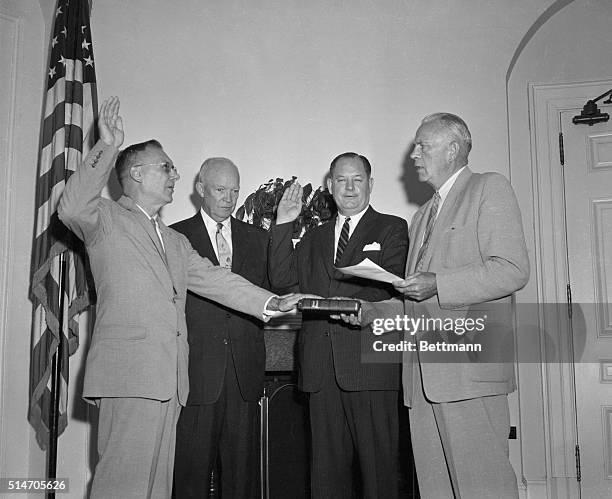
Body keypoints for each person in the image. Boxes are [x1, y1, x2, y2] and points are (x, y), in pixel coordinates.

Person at [58, 97, 299, 499]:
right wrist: (108, 146)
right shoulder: (105, 218)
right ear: (136, 173)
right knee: (121, 484)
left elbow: (217, 280)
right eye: (166, 167)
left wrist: (270, 303)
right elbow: (70, 206)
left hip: (171, 382)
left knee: (157, 489)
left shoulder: (174, 239)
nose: (175, 175)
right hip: (130, 377)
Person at [344, 113, 529, 498]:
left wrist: (439, 284)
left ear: (454, 148)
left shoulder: (488, 188)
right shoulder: (422, 216)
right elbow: (416, 297)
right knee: (436, 490)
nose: (413, 154)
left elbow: (512, 270)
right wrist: (368, 313)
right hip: (423, 382)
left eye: (422, 145)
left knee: (485, 488)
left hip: (469, 374)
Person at [268, 152, 408, 499]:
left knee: (380, 476)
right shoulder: (314, 236)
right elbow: (282, 280)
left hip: (370, 366)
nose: (349, 188)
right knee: (326, 478)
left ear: (370, 184)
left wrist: (359, 306)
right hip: (320, 368)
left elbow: (393, 287)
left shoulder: (392, 228)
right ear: (329, 186)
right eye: (341, 180)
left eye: (357, 179)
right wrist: (284, 222)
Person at [171, 158, 269, 498]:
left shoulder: (259, 239)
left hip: (245, 374)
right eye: (220, 189)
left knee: (244, 480)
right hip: (197, 372)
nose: (229, 199)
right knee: (189, 476)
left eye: (235, 191)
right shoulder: (175, 237)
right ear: (200, 189)